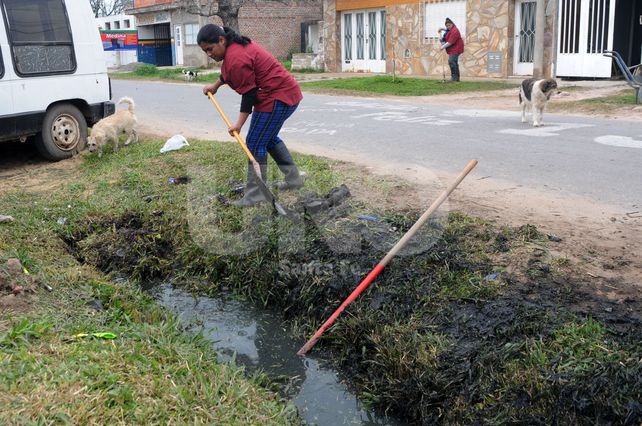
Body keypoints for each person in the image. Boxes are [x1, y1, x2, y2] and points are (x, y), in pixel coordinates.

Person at [198, 24, 304, 207]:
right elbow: (228, 73)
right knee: (267, 138)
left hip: (278, 97)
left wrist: (238, 124)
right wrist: (215, 86)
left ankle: (255, 196)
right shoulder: (233, 49)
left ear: (221, 40)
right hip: (279, 94)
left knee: (255, 143)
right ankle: (293, 179)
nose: (209, 54)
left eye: (210, 49)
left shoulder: (236, 56)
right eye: (205, 51)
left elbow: (249, 94)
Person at [438, 18, 464, 82]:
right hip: (453, 48)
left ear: (452, 24)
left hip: (456, 48)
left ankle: (454, 78)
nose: (448, 27)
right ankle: (456, 78)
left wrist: (442, 47)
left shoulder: (455, 31)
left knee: (451, 61)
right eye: (446, 26)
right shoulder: (451, 29)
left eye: (449, 25)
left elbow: (450, 42)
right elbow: (448, 31)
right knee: (454, 62)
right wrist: (442, 29)